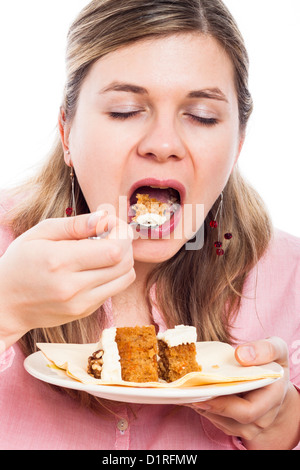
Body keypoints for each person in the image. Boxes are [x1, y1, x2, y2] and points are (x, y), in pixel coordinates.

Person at [0, 0, 299, 451]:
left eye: (202, 116)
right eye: (124, 110)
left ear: (238, 142)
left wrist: (283, 426)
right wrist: (6, 310)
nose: (163, 144)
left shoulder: (290, 275)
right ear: (66, 130)